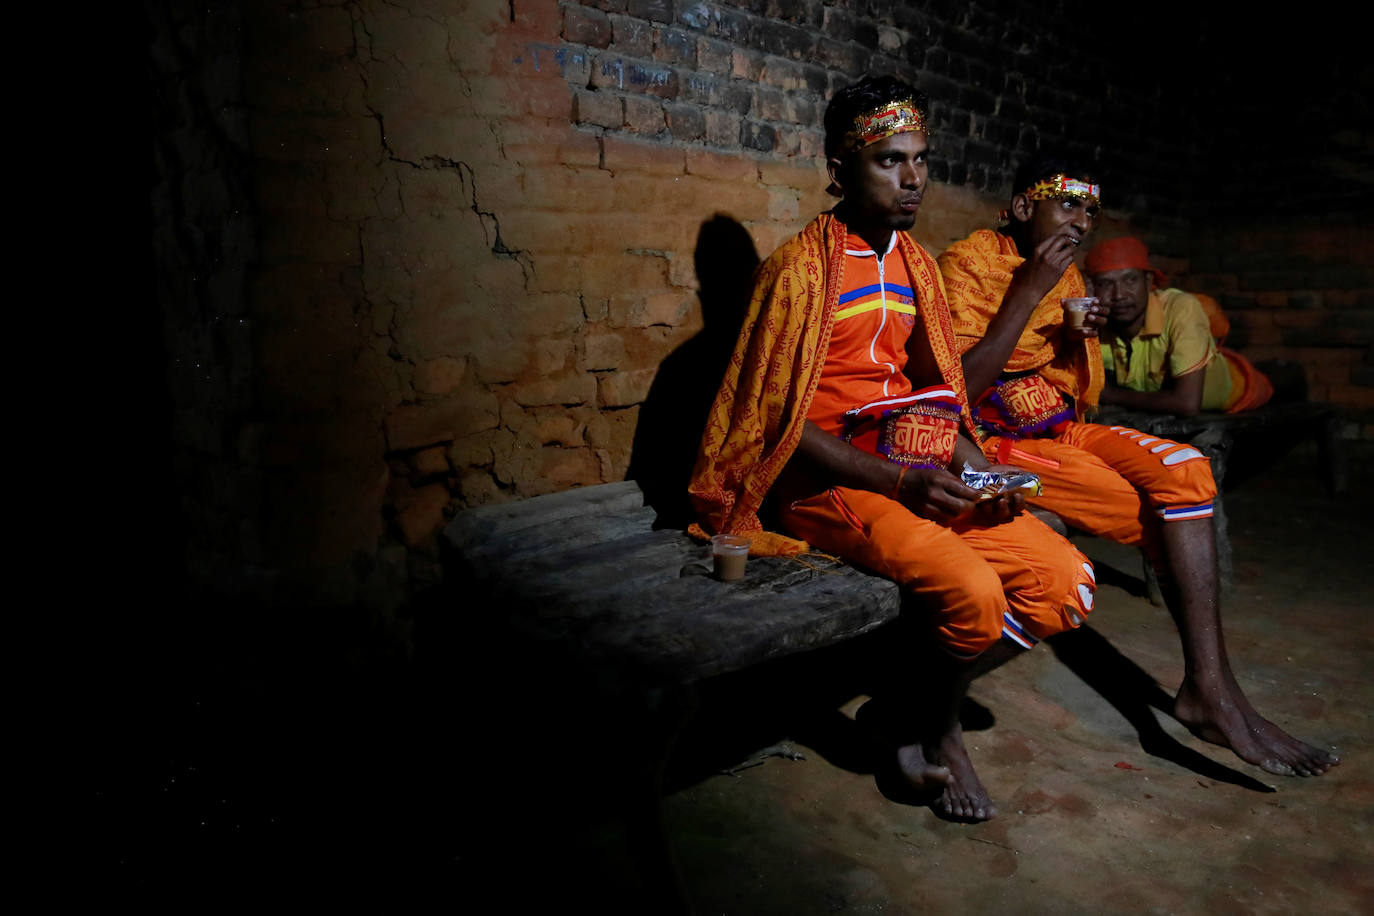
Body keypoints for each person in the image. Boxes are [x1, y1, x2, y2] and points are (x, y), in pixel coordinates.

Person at [688, 77, 1097, 822]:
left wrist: (973, 463)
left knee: (1065, 582)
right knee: (974, 595)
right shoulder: (800, 271)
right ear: (840, 169)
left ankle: (899, 713)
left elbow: (937, 395)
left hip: (913, 468)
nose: (914, 179)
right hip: (826, 482)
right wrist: (902, 482)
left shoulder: (917, 265)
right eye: (889, 161)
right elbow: (774, 425)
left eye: (921, 159)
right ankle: (938, 729)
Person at [938, 157, 1337, 777]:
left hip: (1059, 427)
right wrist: (1029, 293)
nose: (1081, 221)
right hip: (992, 447)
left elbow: (1070, 383)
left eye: (1089, 211)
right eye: (1067, 205)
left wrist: (1077, 337)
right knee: (1161, 520)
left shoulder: (1068, 277)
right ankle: (1209, 691)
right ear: (1022, 209)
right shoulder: (966, 267)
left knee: (1187, 469)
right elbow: (954, 392)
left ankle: (1211, 682)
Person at [1085, 236, 1273, 415]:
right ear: (1092, 288)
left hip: (1243, 389)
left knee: (1280, 383)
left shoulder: (1181, 308)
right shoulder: (1098, 321)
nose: (1119, 295)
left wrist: (1112, 395)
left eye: (1130, 280)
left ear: (1149, 282)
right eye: (1106, 284)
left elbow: (1187, 404)